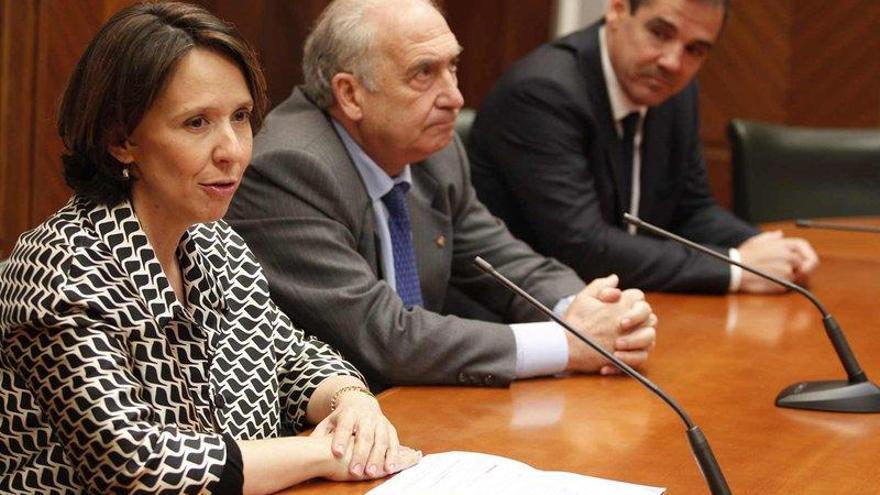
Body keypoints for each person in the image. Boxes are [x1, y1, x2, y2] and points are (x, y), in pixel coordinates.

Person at [0, 3, 419, 493]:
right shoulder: (58, 269)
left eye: (240, 117)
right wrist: (324, 452)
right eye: (196, 123)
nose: (233, 150)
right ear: (121, 140)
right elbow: (138, 468)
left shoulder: (214, 242)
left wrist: (352, 402)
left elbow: (291, 359)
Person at [226, 0, 657, 393]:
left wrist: (592, 311)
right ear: (350, 94)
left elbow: (501, 260)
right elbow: (386, 338)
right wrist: (569, 342)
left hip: (419, 406)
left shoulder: (434, 151)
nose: (455, 97)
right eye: (423, 73)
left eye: (452, 67)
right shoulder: (288, 169)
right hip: (327, 429)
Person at [467, 0, 819, 294]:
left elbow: (692, 211)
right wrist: (737, 268)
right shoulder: (542, 94)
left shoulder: (673, 93)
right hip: (524, 313)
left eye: (695, 49)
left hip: (625, 306)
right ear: (618, 10)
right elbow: (583, 246)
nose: (672, 62)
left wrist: (767, 247)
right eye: (660, 33)